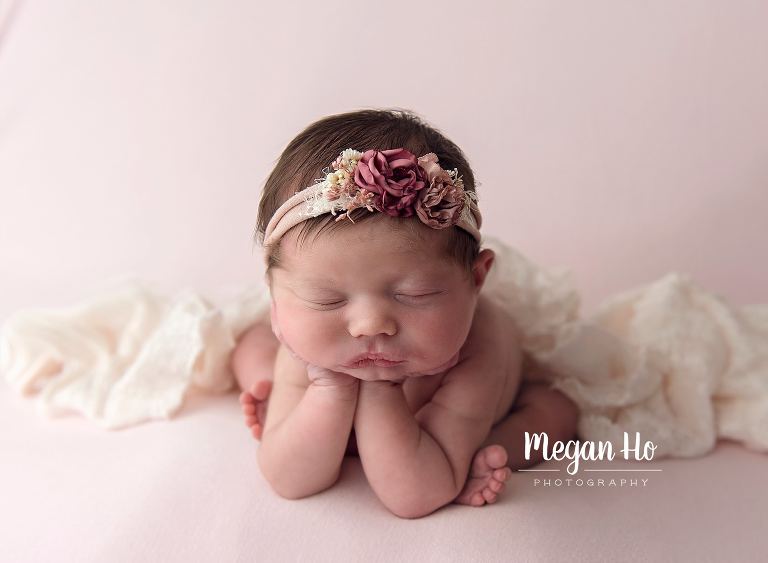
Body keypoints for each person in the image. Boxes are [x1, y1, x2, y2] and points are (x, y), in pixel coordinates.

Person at [229, 108, 579, 519]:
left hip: (451, 429)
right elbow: (292, 481)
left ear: (476, 279)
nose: (369, 325)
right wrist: (329, 386)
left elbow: (414, 496)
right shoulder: (306, 341)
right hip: (320, 359)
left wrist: (383, 388)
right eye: (327, 299)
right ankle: (279, 399)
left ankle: (466, 452)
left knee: (556, 413)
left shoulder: (479, 349)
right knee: (250, 345)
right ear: (273, 289)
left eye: (416, 294)